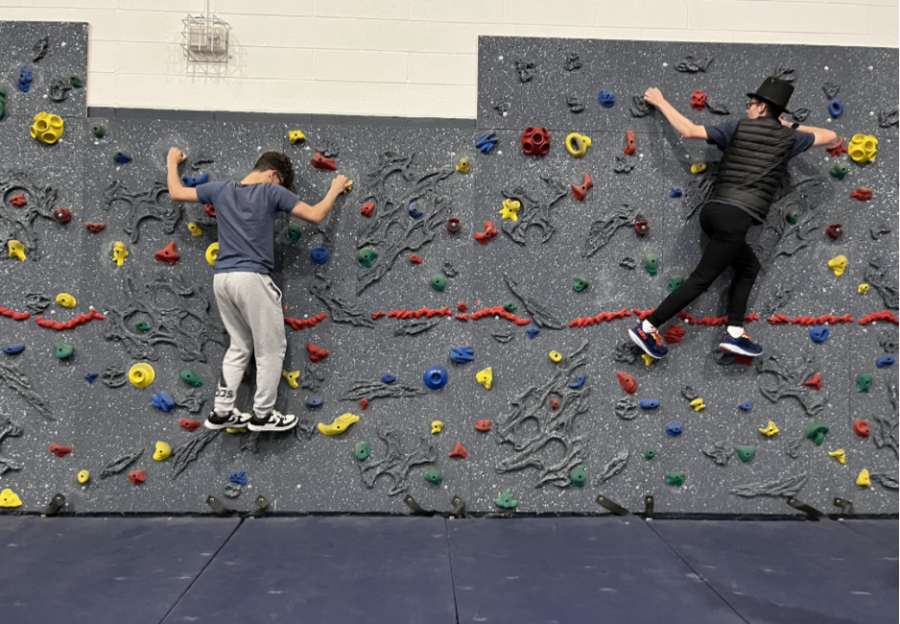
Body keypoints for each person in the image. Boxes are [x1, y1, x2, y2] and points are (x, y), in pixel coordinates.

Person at [628, 77, 839, 360]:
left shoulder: (738, 128)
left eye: (752, 105)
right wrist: (787, 125)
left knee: (748, 267)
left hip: (714, 212)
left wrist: (661, 101)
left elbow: (688, 130)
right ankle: (648, 326)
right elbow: (831, 136)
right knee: (702, 279)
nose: (748, 110)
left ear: (763, 107)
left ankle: (735, 334)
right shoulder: (790, 138)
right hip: (736, 218)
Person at [167, 148, 350, 431]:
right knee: (271, 349)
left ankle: (223, 410)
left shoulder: (221, 190)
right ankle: (263, 413)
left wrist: (171, 162)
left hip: (223, 279)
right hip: (251, 277)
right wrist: (335, 189)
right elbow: (314, 215)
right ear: (272, 174)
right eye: (279, 183)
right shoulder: (270, 192)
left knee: (239, 346)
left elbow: (177, 192)